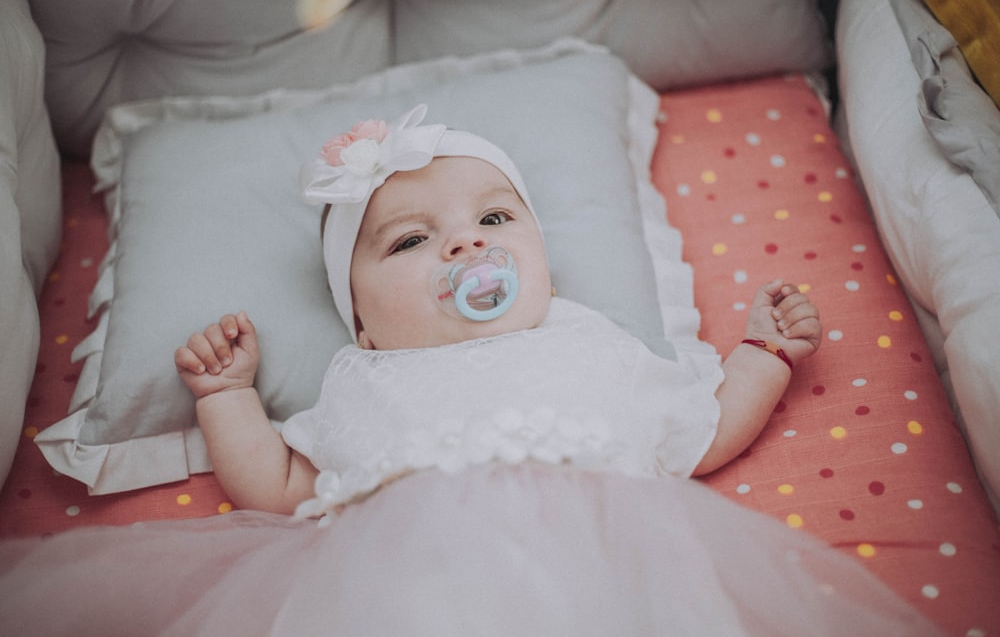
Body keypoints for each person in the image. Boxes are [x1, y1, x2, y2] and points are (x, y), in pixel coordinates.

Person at [0, 105, 942, 636]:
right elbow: (280, 486)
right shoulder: (361, 379)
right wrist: (229, 396)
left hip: (612, 576)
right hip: (400, 592)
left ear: (538, 256)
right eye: (413, 240)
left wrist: (761, 353)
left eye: (495, 221)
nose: (465, 243)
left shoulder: (587, 338)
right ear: (360, 317)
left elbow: (698, 432)